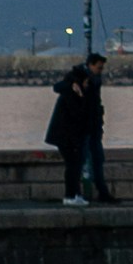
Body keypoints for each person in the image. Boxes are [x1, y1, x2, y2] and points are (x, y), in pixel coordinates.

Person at [48, 53, 108, 204]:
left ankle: (77, 194)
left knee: (82, 163)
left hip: (84, 130)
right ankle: (71, 196)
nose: (100, 71)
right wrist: (73, 86)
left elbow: (91, 107)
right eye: (99, 67)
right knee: (74, 164)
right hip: (71, 133)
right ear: (90, 65)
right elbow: (58, 87)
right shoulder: (75, 83)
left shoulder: (93, 81)